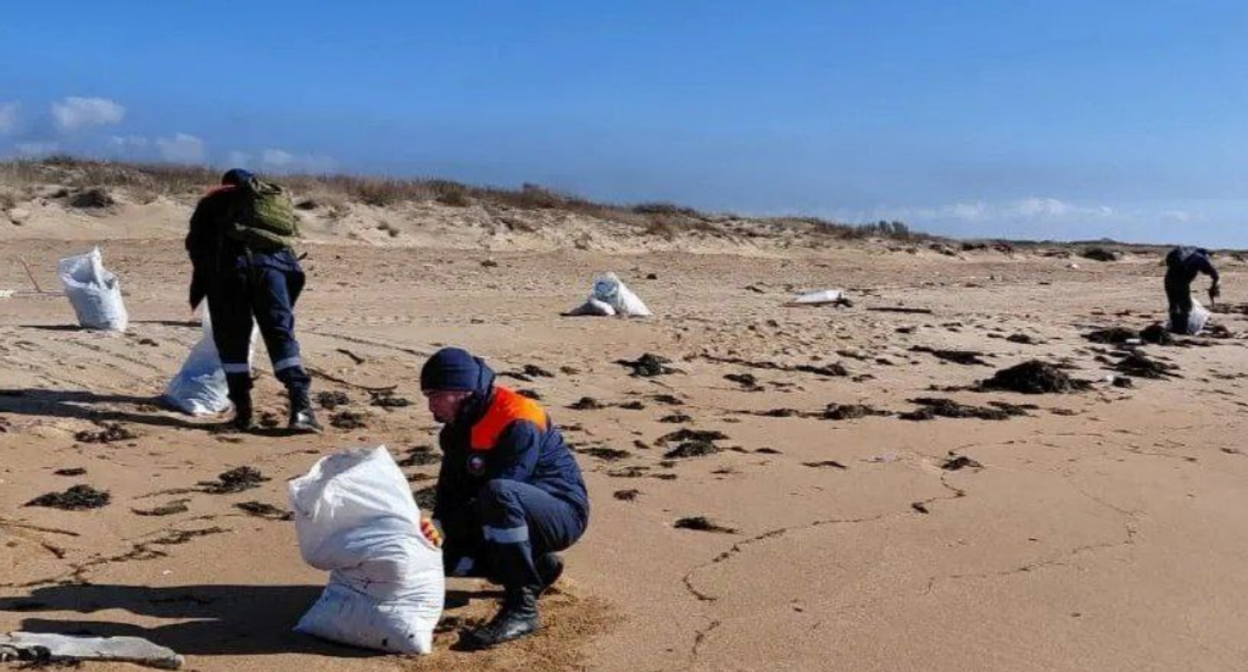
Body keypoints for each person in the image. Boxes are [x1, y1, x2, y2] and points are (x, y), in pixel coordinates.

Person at [421, 347, 589, 649]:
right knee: (437, 558)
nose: (430, 404)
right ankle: (538, 568)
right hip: (504, 508)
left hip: (561, 512)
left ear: (462, 392)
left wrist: (463, 524)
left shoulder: (519, 419)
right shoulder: (455, 429)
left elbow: (506, 488)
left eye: (435, 395)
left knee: (498, 494)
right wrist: (438, 528)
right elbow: (450, 492)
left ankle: (521, 608)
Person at [185, 169, 321, 433]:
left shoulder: (212, 202)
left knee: (232, 339)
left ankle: (244, 413)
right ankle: (301, 410)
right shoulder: (270, 202)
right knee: (281, 335)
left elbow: (195, 243)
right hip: (274, 272)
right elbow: (286, 242)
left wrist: (206, 278)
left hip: (229, 273)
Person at [1164, 246, 1220, 334]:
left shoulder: (1185, 256)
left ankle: (1175, 327)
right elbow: (1213, 272)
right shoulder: (1200, 258)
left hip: (1168, 280)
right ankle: (1182, 329)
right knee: (1185, 306)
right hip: (1181, 282)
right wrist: (1215, 283)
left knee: (1173, 304)